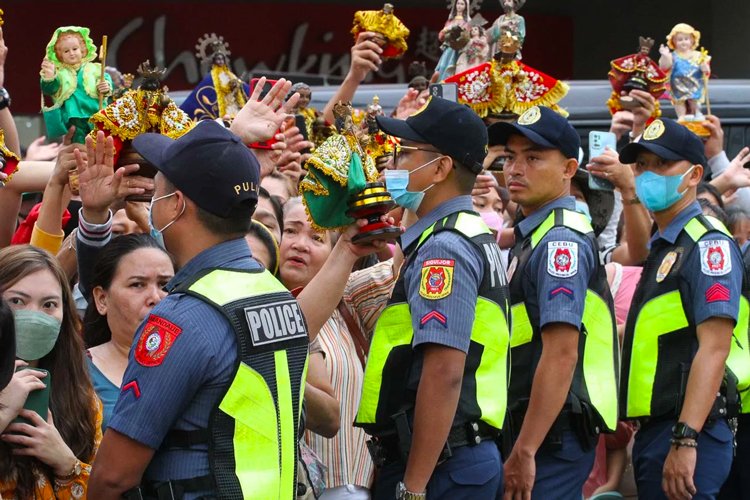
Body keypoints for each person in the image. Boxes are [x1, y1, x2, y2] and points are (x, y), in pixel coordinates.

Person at [88, 81, 308, 499]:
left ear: (178, 205)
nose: (153, 197)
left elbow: (115, 475)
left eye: (159, 188)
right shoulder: (275, 293)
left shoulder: (183, 317)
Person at [355, 96, 511, 499]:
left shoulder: (445, 247)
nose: (392, 166)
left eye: (404, 155)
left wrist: (415, 487)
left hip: (441, 466)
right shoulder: (467, 232)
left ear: (440, 168)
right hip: (455, 457)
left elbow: (444, 372)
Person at [488, 105, 619, 499]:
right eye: (510, 157)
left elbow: (561, 353)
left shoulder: (560, 242)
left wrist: (525, 450)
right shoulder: (534, 234)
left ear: (568, 169)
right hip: (534, 427)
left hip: (550, 437)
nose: (515, 169)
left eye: (533, 157)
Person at [618, 117, 746, 500]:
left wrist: (686, 438)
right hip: (659, 430)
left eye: (661, 165)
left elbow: (715, 346)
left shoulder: (707, 244)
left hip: (690, 431)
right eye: (641, 166)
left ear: (693, 176)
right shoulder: (666, 244)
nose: (647, 175)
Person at [279, 197, 397, 498]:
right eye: (290, 231)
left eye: (316, 237)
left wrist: (398, 197)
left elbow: (400, 269)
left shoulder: (349, 299)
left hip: (354, 488)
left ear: (338, 251)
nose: (300, 244)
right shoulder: (255, 310)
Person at [0, 245, 102, 499]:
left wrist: (67, 463)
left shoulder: (83, 399)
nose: (34, 316)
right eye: (17, 301)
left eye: (49, 304)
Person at [83, 234, 174, 430]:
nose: (156, 298)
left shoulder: (198, 364)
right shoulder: (77, 372)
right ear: (102, 299)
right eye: (137, 284)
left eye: (165, 285)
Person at [40, 26, 112, 143]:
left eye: (75, 49)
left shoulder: (95, 68)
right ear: (60, 55)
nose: (72, 53)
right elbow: (50, 89)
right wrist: (49, 77)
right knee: (78, 143)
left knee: (98, 141)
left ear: (83, 50)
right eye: (66, 51)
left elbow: (105, 79)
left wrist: (105, 86)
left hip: (94, 112)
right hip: (72, 116)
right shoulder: (60, 73)